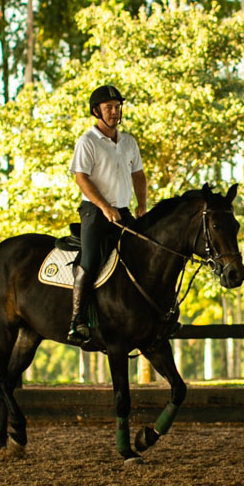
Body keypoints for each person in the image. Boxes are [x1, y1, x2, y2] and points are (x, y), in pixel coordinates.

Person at [68, 84, 147, 345]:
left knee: (145, 254)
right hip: (94, 211)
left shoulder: (129, 142)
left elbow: (139, 175)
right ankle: (78, 319)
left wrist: (142, 204)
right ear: (96, 111)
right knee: (90, 260)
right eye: (109, 108)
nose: (114, 112)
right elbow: (81, 179)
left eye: (117, 107)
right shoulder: (87, 141)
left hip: (123, 211)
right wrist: (104, 207)